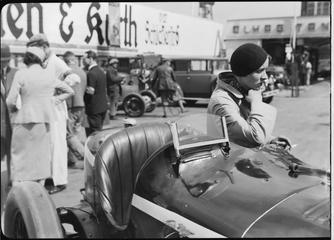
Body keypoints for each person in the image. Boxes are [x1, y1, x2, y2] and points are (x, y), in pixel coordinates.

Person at [6, 46, 74, 185]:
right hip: (44, 122)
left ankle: (19, 190)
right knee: (41, 159)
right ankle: (38, 189)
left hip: (23, 120)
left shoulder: (21, 74)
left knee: (20, 157)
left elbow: (10, 100)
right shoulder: (48, 76)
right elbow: (69, 91)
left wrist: (13, 110)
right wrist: (54, 100)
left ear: (26, 59)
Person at [208, 43, 291, 149]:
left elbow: (244, 133)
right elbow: (254, 138)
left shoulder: (242, 91)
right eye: (259, 71)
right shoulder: (221, 101)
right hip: (224, 164)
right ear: (242, 73)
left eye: (265, 70)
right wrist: (257, 102)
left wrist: (270, 140)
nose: (265, 77)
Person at [26, 33, 80, 194]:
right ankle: (48, 178)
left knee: (57, 146)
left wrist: (58, 86)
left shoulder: (56, 62)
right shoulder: (42, 63)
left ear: (44, 47)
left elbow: (74, 77)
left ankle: (59, 181)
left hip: (56, 112)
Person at [63, 51, 87, 168]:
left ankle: (74, 158)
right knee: (78, 131)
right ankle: (80, 155)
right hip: (81, 105)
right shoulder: (82, 72)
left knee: (69, 133)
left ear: (66, 60)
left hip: (70, 107)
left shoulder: (66, 72)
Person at [83, 50, 108, 136]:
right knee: (99, 131)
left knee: (94, 134)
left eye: (84, 59)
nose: (83, 61)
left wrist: (83, 93)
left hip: (94, 108)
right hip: (102, 106)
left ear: (90, 59)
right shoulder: (101, 71)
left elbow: (91, 91)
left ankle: (96, 149)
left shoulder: (91, 73)